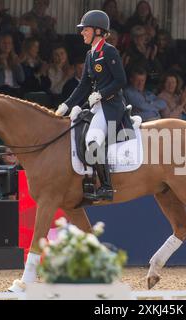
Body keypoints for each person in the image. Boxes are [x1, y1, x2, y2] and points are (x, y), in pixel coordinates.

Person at [55, 10, 127, 202]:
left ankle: (106, 186)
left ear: (97, 31)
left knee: (93, 140)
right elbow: (83, 85)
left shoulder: (109, 51)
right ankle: (87, 179)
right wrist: (66, 105)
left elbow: (121, 80)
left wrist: (101, 93)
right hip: (96, 106)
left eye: (85, 29)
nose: (82, 33)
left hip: (111, 106)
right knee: (78, 133)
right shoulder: (90, 55)